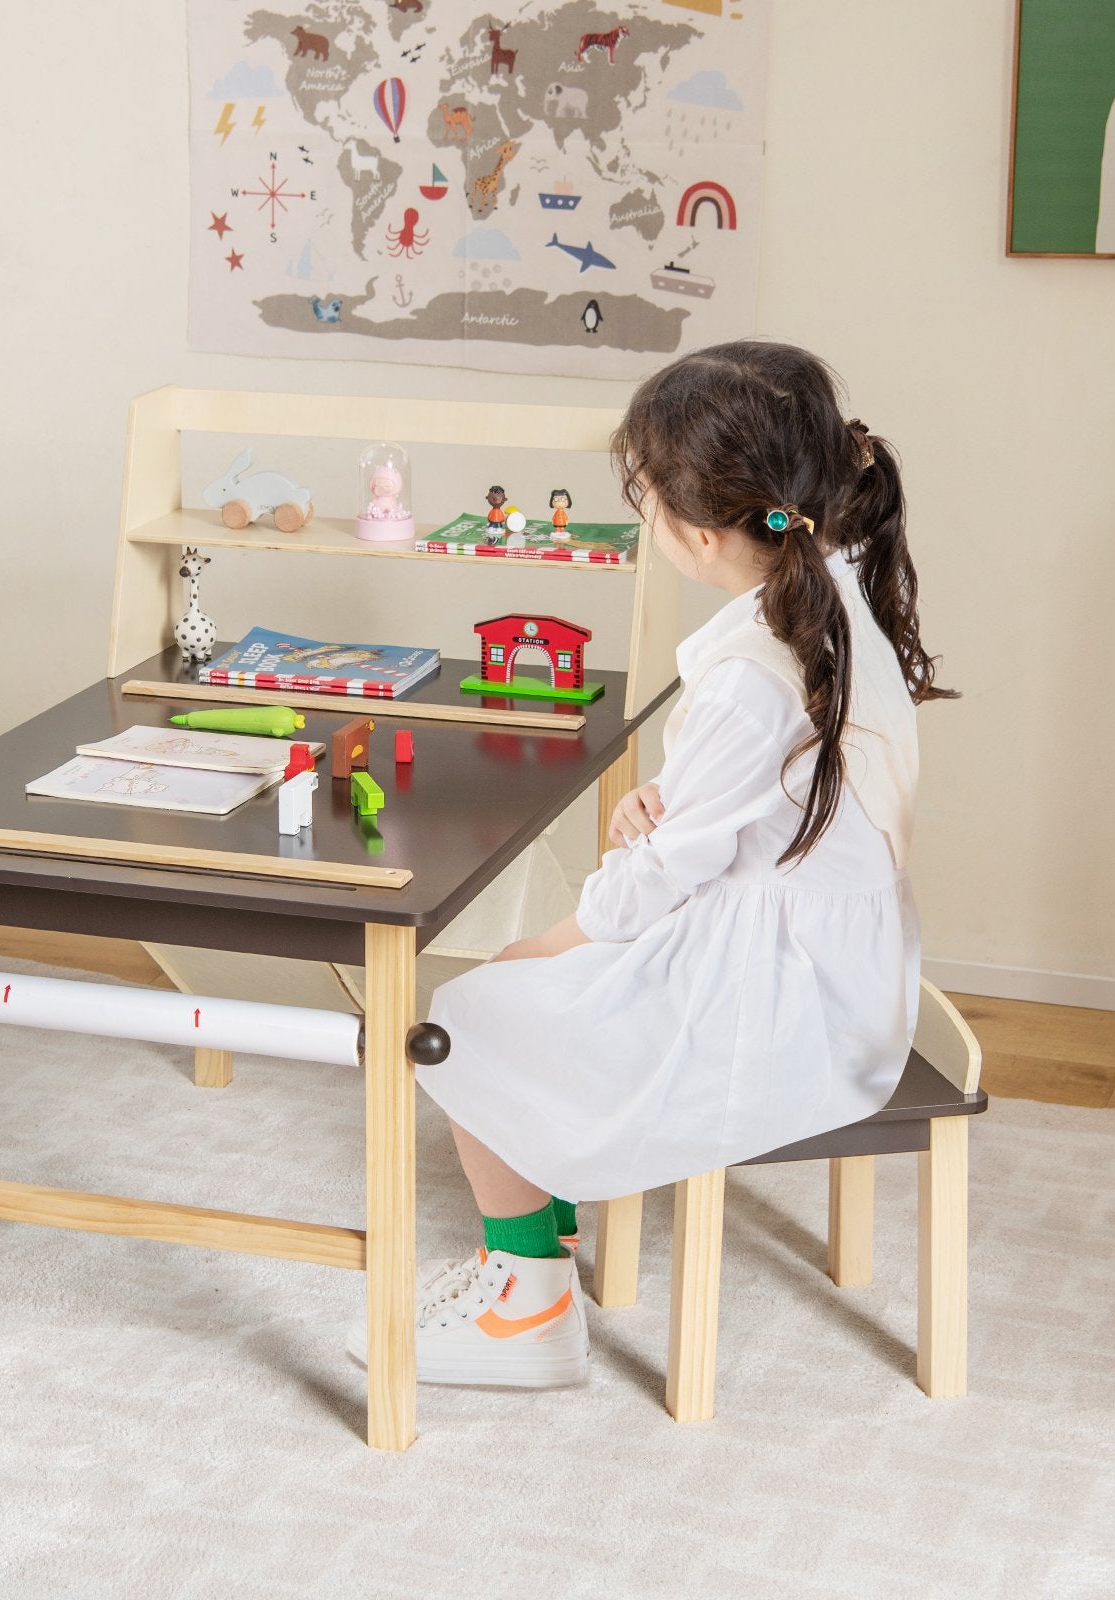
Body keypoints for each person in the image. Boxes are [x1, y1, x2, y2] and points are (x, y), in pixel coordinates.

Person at [349, 340, 956, 1389]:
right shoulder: (835, 599)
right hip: (835, 961)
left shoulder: (750, 679)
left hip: (785, 994)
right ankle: (550, 1224)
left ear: (697, 530)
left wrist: (539, 951)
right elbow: (774, 799)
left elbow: (656, 883)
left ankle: (529, 1309)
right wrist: (678, 804)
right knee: (535, 989)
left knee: (459, 1023)